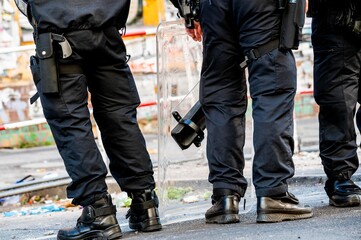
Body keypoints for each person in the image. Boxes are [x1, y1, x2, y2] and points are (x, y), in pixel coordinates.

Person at [14, 0, 162, 239]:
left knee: (70, 120)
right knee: (119, 116)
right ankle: (145, 204)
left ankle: (98, 211)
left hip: (59, 34)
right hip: (107, 29)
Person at [170, 0, 313, 223]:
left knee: (221, 91)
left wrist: (188, 10)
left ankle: (225, 197)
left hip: (213, 6)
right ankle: (272, 193)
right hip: (261, 6)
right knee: (272, 84)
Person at [308, 0, 361, 207]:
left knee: (338, 97)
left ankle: (341, 177)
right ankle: (341, 176)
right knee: (338, 100)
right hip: (335, 16)